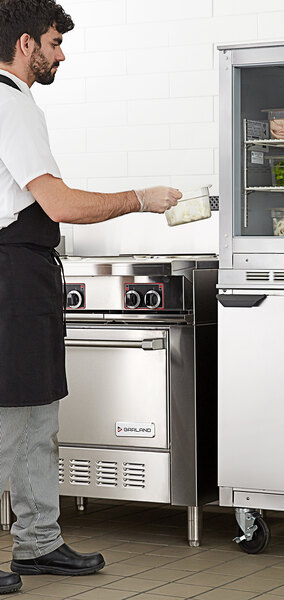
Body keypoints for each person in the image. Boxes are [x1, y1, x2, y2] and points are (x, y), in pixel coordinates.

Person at [0, 0, 182, 594]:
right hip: (9, 277)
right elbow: (59, 204)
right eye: (53, 42)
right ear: (26, 44)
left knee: (36, 418)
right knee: (8, 423)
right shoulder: (8, 101)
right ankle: (33, 542)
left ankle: (39, 543)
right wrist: (140, 198)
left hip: (25, 276)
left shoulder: (17, 103)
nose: (60, 53)